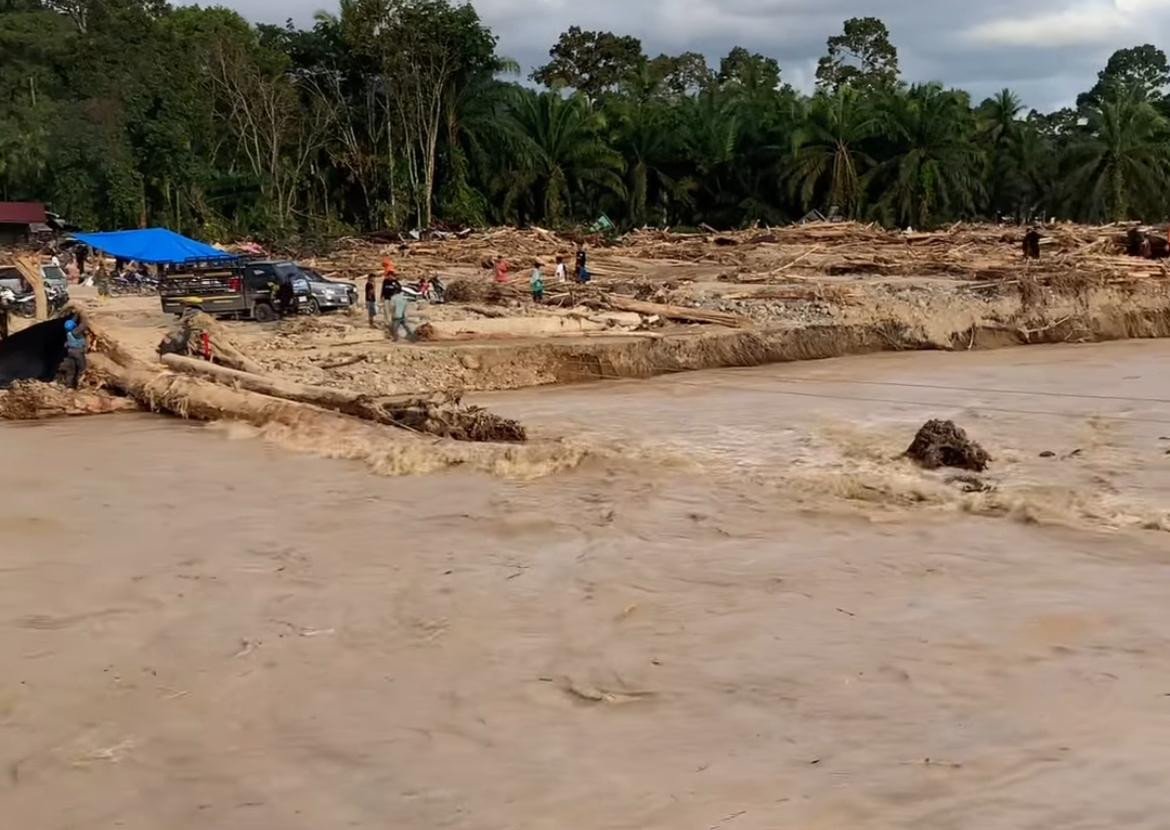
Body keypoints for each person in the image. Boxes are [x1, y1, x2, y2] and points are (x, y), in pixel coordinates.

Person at [61, 318, 87, 389]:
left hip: (70, 352)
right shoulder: (76, 332)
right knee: (82, 369)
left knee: (71, 370)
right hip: (78, 352)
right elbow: (83, 325)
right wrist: (84, 315)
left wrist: (76, 316)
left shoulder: (68, 333)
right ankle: (79, 385)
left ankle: (68, 386)